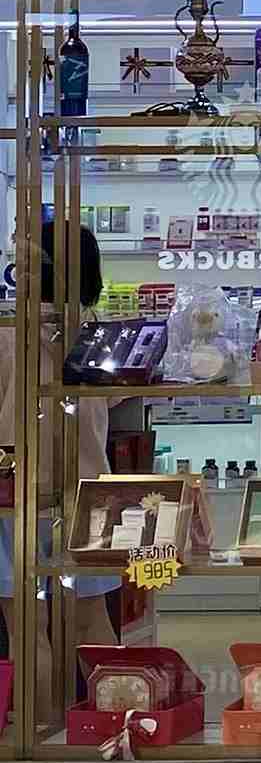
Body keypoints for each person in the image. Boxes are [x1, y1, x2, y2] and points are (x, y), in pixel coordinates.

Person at [0, 223, 123, 725]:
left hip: (18, 496)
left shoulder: (9, 334)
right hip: (89, 494)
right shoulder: (100, 333)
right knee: (92, 620)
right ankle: (118, 725)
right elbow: (112, 402)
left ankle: (42, 736)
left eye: (25, 264)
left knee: (28, 625)